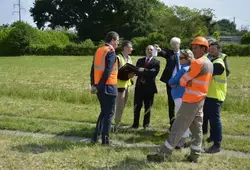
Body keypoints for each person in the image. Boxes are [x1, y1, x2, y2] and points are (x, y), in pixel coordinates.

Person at [147, 36, 213, 163]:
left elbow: (182, 81)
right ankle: (195, 155)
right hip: (200, 99)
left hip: (190, 100)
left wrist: (186, 81)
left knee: (177, 127)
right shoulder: (209, 62)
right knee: (196, 128)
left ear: (203, 48)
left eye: (195, 48)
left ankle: (163, 155)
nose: (193, 50)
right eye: (192, 48)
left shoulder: (197, 63)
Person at [90, 31, 119, 145]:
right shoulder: (111, 52)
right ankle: (105, 141)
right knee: (109, 113)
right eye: (117, 41)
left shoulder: (99, 50)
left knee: (103, 112)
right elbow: (107, 71)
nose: (117, 43)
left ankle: (95, 137)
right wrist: (101, 85)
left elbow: (93, 69)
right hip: (109, 87)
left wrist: (94, 85)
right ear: (112, 40)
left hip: (99, 87)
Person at [203, 42, 227, 153]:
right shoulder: (212, 61)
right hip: (209, 95)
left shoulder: (218, 63)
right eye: (210, 49)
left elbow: (207, 72)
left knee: (215, 120)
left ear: (219, 50)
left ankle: (217, 145)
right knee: (210, 118)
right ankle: (212, 137)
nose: (211, 50)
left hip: (216, 96)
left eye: (213, 49)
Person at [168, 49, 194, 148]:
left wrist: (173, 83)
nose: (179, 60)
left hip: (179, 96)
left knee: (181, 119)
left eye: (181, 58)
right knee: (186, 118)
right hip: (186, 96)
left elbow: (171, 81)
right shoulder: (192, 68)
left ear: (187, 59)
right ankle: (184, 140)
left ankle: (181, 142)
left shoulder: (184, 69)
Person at [154, 37, 181, 129]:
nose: (173, 46)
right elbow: (163, 53)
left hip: (181, 82)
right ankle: (172, 123)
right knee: (171, 102)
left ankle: (180, 122)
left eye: (174, 44)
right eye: (171, 44)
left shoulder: (183, 54)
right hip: (171, 82)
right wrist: (159, 50)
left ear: (179, 45)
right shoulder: (169, 53)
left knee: (180, 102)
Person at [131, 45, 160, 129]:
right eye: (147, 49)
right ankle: (135, 124)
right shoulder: (140, 60)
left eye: (151, 49)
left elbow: (153, 73)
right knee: (137, 106)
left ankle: (146, 125)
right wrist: (145, 72)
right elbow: (136, 72)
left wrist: (143, 70)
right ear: (145, 50)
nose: (149, 51)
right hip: (139, 87)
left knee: (148, 107)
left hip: (149, 88)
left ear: (153, 51)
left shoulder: (156, 62)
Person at [114, 40, 135, 130]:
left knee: (123, 105)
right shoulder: (118, 58)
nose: (132, 49)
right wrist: (127, 75)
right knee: (119, 105)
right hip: (119, 86)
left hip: (127, 85)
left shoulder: (129, 58)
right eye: (130, 47)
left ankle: (118, 121)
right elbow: (115, 73)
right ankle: (116, 124)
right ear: (125, 47)